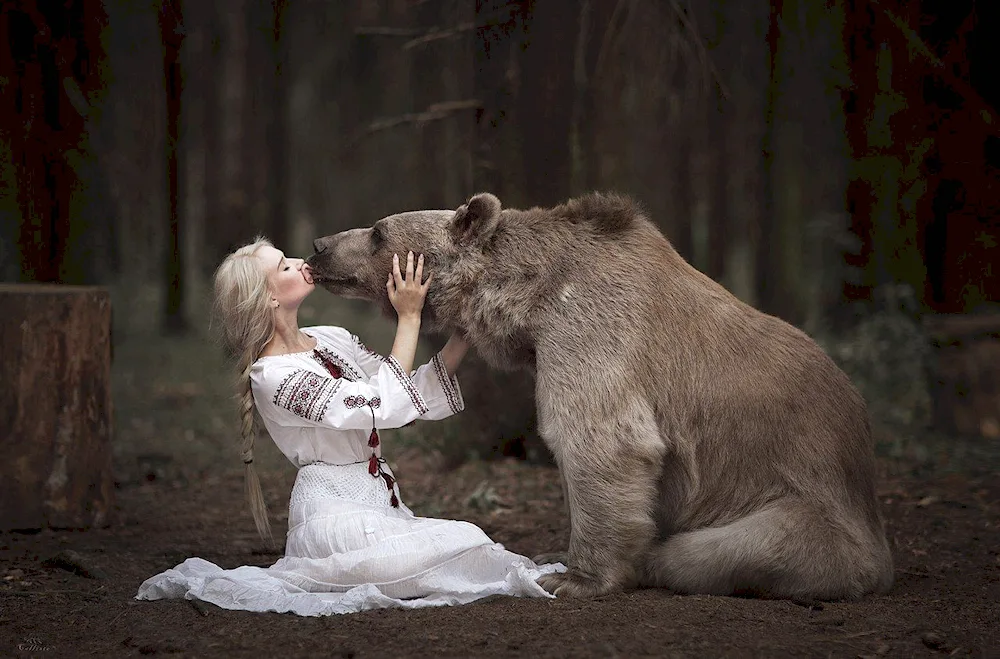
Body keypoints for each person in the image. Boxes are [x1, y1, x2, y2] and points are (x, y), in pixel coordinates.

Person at [135, 237, 564, 616]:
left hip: (380, 507)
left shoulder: (332, 337)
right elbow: (382, 403)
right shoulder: (274, 377)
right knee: (465, 542)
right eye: (283, 265)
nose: (299, 262)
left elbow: (405, 393)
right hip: (332, 522)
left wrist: (466, 330)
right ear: (268, 298)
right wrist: (408, 318)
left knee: (469, 544)